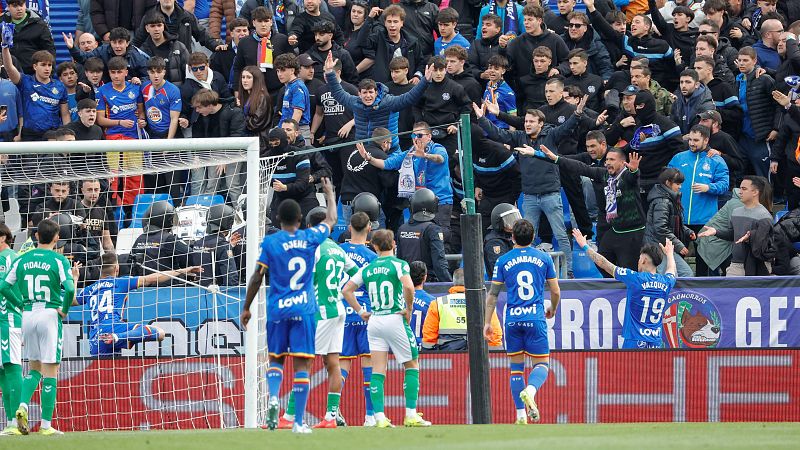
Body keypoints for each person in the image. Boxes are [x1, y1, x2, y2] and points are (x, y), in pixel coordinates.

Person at [239, 178, 337, 433]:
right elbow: (331, 221)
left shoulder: (270, 243)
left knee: (276, 359)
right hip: (303, 309)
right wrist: (328, 194)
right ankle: (298, 423)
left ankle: (273, 397)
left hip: (277, 310)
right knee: (302, 365)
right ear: (300, 217)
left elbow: (257, 276)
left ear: (279, 219)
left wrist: (247, 307)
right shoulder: (309, 237)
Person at [473, 95, 591, 276]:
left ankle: (568, 272)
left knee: (560, 235)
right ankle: (530, 270)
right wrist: (482, 119)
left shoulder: (551, 135)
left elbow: (567, 128)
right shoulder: (520, 137)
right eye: (526, 121)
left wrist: (577, 113)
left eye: (531, 121)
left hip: (551, 194)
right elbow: (498, 134)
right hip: (529, 196)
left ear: (541, 123)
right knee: (526, 236)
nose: (527, 124)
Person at [341, 228, 431, 428]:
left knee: (378, 369)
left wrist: (360, 311)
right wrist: (408, 309)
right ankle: (410, 414)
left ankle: (379, 417)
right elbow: (408, 287)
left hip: (375, 320)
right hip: (394, 317)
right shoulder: (399, 264)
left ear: (374, 246)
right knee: (411, 364)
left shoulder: (369, 267)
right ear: (394, 245)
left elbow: (347, 289)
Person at [279, 207, 357, 430]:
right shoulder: (338, 249)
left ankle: (291, 415)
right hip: (338, 310)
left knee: (305, 361)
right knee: (332, 362)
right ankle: (331, 416)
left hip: (319, 313)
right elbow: (357, 274)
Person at [0, 219, 79, 435]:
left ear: (36, 236)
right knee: (50, 371)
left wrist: (20, 305)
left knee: (33, 369)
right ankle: (45, 426)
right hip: (49, 314)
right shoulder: (59, 260)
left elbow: (3, 286)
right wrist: (64, 310)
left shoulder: (22, 259)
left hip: (27, 315)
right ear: (57, 238)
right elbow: (70, 290)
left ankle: (22, 408)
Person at [484, 219, 560, 424]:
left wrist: (487, 321)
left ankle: (520, 416)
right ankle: (531, 390)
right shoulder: (544, 258)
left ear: (512, 237)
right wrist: (552, 308)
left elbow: (492, 295)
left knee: (516, 368)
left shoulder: (503, 260)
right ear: (533, 237)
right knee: (542, 365)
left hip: (513, 319)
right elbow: (555, 291)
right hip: (535, 317)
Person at [538, 144, 646, 272]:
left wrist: (634, 171)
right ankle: (613, 288)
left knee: (628, 270)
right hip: (616, 230)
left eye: (612, 160)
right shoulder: (605, 175)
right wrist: (555, 158)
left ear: (623, 163)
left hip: (633, 233)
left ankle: (624, 290)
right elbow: (581, 168)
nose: (607, 163)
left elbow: (633, 178)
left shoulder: (627, 177)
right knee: (600, 259)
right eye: (607, 160)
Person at [78, 252, 201, 356]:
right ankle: (117, 337)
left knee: (101, 378)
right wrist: (183, 270)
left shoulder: (90, 289)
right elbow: (152, 278)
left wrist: (74, 278)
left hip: (94, 338)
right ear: (117, 268)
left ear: (100, 268)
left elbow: (71, 300)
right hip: (113, 327)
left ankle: (116, 337)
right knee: (160, 333)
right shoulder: (120, 282)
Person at [573, 228, 678, 348]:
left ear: (643, 260)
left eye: (639, 259)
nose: (638, 261)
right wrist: (669, 254)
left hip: (635, 340)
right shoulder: (666, 282)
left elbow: (604, 264)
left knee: (628, 368)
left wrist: (584, 246)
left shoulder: (635, 278)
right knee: (654, 367)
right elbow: (671, 270)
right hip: (655, 342)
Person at [326, 48, 431, 154]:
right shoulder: (355, 103)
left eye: (371, 92)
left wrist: (425, 81)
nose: (368, 96)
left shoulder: (388, 102)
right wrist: (330, 73)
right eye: (364, 93)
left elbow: (409, 98)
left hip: (389, 152)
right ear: (359, 94)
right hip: (363, 152)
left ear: (376, 93)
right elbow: (338, 93)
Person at [668, 124, 730, 274]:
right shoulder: (678, 158)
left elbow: (725, 185)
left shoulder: (716, 160)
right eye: (690, 139)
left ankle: (704, 291)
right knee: (675, 260)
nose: (691, 143)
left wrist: (708, 188)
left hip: (704, 219)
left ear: (706, 140)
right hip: (680, 219)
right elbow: (666, 179)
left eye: (696, 140)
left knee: (704, 262)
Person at [338, 212, 378, 427]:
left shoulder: (338, 251)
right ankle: (370, 416)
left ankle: (333, 410)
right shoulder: (372, 256)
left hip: (341, 311)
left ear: (349, 227)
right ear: (369, 228)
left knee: (342, 363)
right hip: (365, 312)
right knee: (368, 363)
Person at [698, 176, 774, 276]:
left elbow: (767, 244)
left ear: (755, 192)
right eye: (740, 188)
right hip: (735, 265)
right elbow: (732, 235)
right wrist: (716, 232)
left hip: (757, 265)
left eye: (744, 189)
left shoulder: (764, 216)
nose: (740, 192)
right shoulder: (736, 211)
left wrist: (750, 238)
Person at [422, 268, 502, 351]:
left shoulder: (439, 303)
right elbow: (494, 333)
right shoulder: (483, 303)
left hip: (448, 354)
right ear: (472, 282)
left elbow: (429, 335)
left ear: (454, 282)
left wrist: (429, 356)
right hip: (477, 354)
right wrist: (494, 355)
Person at [643, 168, 696, 277]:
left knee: (683, 274)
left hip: (663, 246)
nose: (680, 186)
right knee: (683, 274)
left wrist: (687, 231)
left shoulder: (667, 198)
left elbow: (671, 222)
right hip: (658, 247)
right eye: (677, 183)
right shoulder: (663, 201)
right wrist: (679, 245)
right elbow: (661, 228)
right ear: (668, 182)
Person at [735, 46, 777, 178]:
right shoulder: (738, 80)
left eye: (745, 60)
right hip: (743, 135)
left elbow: (778, 105)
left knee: (765, 175)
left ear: (754, 61)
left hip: (761, 135)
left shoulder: (764, 79)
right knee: (741, 173)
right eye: (740, 60)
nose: (742, 63)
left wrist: (776, 128)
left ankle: (771, 198)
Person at [359, 4, 426, 84]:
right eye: (389, 21)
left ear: (402, 23)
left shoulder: (412, 41)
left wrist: (417, 76)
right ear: (385, 23)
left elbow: (421, 62)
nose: (392, 25)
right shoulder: (378, 38)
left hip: (407, 87)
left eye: (395, 21)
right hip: (383, 86)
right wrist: (369, 18)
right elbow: (362, 41)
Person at [231, 7, 291, 95]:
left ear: (271, 22)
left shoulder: (282, 40)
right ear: (254, 23)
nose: (263, 25)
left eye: (266, 21)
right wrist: (236, 91)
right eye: (260, 21)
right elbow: (238, 68)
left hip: (279, 90)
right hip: (253, 92)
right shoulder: (244, 43)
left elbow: (292, 65)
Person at [396, 188, 452, 283]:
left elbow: (399, 260)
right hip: (427, 284)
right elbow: (439, 262)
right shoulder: (433, 229)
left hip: (406, 283)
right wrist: (449, 284)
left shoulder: (402, 229)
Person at [263, 127, 318, 224]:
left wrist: (285, 187)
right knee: (277, 229)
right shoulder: (267, 158)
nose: (274, 146)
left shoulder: (299, 156)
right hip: (281, 197)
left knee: (306, 228)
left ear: (285, 141)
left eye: (276, 142)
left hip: (304, 197)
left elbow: (303, 183)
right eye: (271, 143)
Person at [132, 0, 225, 54]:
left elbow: (202, 34)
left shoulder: (187, 16)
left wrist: (216, 45)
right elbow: (137, 41)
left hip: (183, 63)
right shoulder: (149, 17)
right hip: (158, 66)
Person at [130, 201, 194, 276]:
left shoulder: (140, 238)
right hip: (167, 285)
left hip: (143, 285)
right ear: (166, 220)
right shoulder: (168, 239)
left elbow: (130, 262)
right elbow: (192, 256)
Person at [65, 27, 150, 82]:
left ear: (127, 43)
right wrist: (72, 48)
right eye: (114, 42)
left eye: (120, 42)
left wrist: (139, 80)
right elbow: (84, 58)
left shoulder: (137, 56)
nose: (117, 46)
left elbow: (148, 75)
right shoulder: (103, 50)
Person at [0, 224, 21, 436]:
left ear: (3, 237)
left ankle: (16, 420)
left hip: (7, 319)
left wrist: (20, 306)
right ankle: (10, 421)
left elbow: (4, 287)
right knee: (2, 371)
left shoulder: (8, 257)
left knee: (12, 365)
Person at [0, 0, 56, 75]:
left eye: (21, 5)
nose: (19, 9)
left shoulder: (39, 24)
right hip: (7, 74)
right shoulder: (2, 23)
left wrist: (49, 74)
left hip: (32, 75)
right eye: (15, 6)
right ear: (8, 6)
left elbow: (50, 51)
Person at [191, 204, 239, 287]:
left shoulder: (197, 243)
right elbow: (230, 277)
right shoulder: (222, 245)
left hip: (197, 293)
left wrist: (229, 246)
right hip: (215, 294)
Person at [137, 11, 190, 86]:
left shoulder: (179, 46)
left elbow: (189, 73)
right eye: (152, 26)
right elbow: (143, 77)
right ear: (147, 28)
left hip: (178, 92)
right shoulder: (142, 52)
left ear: (163, 26)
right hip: (154, 94)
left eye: (159, 25)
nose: (156, 29)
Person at [670, 69, 716, 135]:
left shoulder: (706, 104)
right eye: (681, 82)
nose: (683, 86)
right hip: (679, 142)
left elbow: (703, 133)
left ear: (697, 84)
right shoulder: (677, 99)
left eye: (688, 82)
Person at [75, 179, 116, 252]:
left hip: (95, 256)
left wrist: (113, 259)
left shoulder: (102, 212)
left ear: (100, 190)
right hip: (78, 254)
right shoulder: (75, 209)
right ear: (82, 190)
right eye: (89, 190)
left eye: (96, 190)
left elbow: (107, 243)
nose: (93, 193)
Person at [484, 203, 522, 274]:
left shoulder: (512, 235)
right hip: (501, 282)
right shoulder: (494, 241)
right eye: (510, 220)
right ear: (499, 222)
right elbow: (499, 267)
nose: (514, 224)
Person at [408, 260, 434, 347]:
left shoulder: (398, 299)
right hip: (423, 349)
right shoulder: (432, 302)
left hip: (403, 348)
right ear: (425, 277)